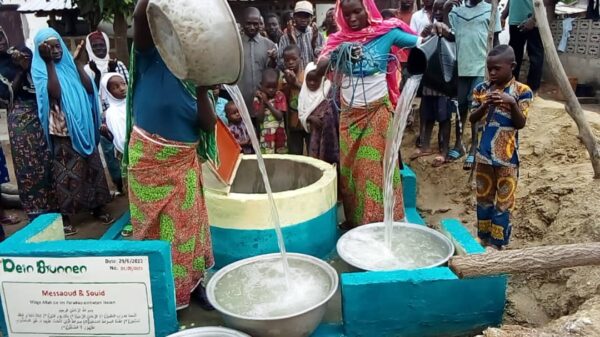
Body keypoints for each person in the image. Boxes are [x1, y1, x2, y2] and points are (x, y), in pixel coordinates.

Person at [307, 0, 430, 228]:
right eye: (347, 14)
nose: (352, 18)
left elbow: (422, 43)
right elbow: (318, 70)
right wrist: (337, 56)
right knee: (350, 169)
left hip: (377, 112)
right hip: (349, 116)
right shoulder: (338, 41)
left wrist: (437, 31)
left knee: (371, 168)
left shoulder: (386, 34)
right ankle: (356, 220)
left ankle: (376, 225)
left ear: (368, 10)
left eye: (357, 11)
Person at [127, 0, 216, 310]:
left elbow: (206, 124)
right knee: (151, 230)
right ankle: (157, 293)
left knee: (186, 231)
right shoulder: (151, 58)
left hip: (183, 162)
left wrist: (205, 89)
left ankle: (191, 286)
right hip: (149, 161)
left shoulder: (198, 77)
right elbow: (140, 16)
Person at [31, 28, 113, 236]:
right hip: (62, 132)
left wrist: (76, 61)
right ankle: (66, 216)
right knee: (66, 175)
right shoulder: (41, 70)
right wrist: (49, 62)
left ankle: (97, 207)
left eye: (58, 46)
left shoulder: (69, 66)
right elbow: (55, 93)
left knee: (92, 169)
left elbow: (88, 88)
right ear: (41, 51)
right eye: (50, 47)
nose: (55, 51)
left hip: (83, 127)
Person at [469, 45, 532, 249]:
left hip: (507, 158)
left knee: (504, 203)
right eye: (490, 69)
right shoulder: (481, 89)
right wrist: (485, 105)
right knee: (483, 199)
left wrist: (511, 103)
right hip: (484, 157)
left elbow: (520, 123)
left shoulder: (523, 92)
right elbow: (472, 118)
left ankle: (497, 243)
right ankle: (482, 237)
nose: (492, 73)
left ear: (511, 66)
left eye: (497, 68)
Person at [445, 0, 501, 170]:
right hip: (462, 67)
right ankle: (459, 144)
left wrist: (495, 70)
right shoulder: (457, 11)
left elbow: (496, 40)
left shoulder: (490, 11)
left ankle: (474, 147)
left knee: (475, 107)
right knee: (460, 106)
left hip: (480, 67)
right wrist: (446, 9)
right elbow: (450, 36)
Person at [1, 43, 55, 221]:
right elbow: (6, 97)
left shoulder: (28, 59)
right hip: (21, 120)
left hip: (41, 114)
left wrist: (29, 65)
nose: (1, 40)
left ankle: (54, 208)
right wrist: (21, 71)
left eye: (1, 35)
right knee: (28, 167)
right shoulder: (5, 66)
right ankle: (36, 211)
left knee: (47, 162)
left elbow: (43, 85)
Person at [83, 30, 129, 194]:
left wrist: (112, 69)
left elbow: (127, 85)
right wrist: (96, 75)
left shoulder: (118, 65)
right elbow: (91, 94)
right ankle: (119, 185)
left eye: (102, 45)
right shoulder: (87, 70)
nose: (99, 49)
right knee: (109, 152)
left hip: (123, 113)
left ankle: (129, 182)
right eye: (95, 46)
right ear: (89, 48)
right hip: (102, 118)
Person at [411, 0, 452, 167]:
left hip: (445, 81)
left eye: (441, 9)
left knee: (444, 116)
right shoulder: (430, 28)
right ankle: (425, 146)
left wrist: (447, 20)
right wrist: (425, 34)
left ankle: (444, 150)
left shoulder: (450, 27)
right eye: (435, 9)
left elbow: (452, 40)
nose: (437, 12)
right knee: (426, 113)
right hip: (429, 78)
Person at [238, 7, 278, 131]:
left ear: (260, 24)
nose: (252, 27)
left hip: (264, 104)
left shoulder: (269, 45)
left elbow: (271, 74)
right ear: (242, 22)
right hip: (241, 102)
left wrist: (273, 60)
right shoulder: (236, 44)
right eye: (248, 23)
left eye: (255, 24)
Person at [299, 62, 339, 164]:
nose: (312, 83)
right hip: (312, 133)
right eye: (309, 80)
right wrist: (311, 118)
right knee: (314, 160)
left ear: (322, 80)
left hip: (330, 133)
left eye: (315, 80)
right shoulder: (303, 94)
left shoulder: (327, 90)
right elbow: (302, 114)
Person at [501, 0, 544, 93]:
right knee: (513, 56)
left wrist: (533, 19)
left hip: (533, 23)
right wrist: (503, 15)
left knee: (535, 57)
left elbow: (545, 2)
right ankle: (511, 87)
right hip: (514, 21)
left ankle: (532, 90)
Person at [278, 1, 324, 70]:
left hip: (314, 78)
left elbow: (324, 59)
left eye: (306, 16)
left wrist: (314, 45)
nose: (303, 19)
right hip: (293, 78)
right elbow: (280, 62)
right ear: (294, 17)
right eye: (300, 15)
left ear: (311, 18)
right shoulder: (285, 38)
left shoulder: (318, 36)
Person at [281, 45, 310, 155]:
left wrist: (296, 83)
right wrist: (288, 84)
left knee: (311, 149)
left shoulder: (306, 75)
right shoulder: (283, 78)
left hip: (307, 121)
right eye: (287, 60)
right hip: (293, 122)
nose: (291, 62)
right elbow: (283, 99)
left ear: (300, 58)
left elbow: (311, 93)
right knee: (295, 152)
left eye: (294, 59)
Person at [253, 68, 287, 154]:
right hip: (266, 138)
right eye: (268, 87)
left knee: (281, 159)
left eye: (274, 87)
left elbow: (279, 116)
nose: (271, 90)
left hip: (280, 136)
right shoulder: (257, 99)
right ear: (261, 85)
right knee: (268, 161)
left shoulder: (280, 96)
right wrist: (262, 102)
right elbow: (259, 119)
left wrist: (267, 102)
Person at [100, 73, 127, 157]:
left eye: (123, 84)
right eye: (115, 88)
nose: (122, 88)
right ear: (109, 93)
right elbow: (120, 140)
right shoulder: (112, 113)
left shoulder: (135, 103)